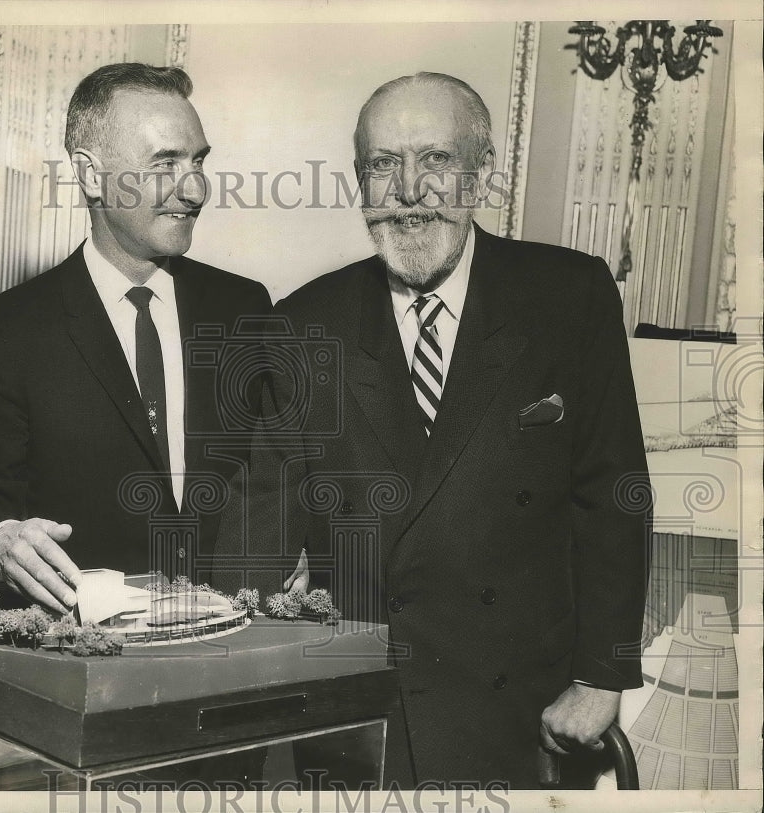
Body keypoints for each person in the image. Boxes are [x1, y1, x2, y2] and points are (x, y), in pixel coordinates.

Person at [258, 72, 650, 789]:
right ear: (359, 180)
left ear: (482, 171)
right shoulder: (301, 323)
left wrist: (602, 675)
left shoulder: (569, 297)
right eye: (383, 164)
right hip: (362, 720)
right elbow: (264, 526)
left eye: (435, 159)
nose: (410, 190)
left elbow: (614, 494)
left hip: (522, 716)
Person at [0, 63, 272, 615]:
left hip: (232, 642)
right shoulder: (11, 330)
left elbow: (282, 475)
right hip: (86, 656)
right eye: (165, 164)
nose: (195, 189)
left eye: (199, 161)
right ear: (92, 176)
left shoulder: (245, 309)